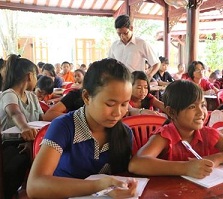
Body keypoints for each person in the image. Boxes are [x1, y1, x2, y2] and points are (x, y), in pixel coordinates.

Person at [27, 58, 137, 198]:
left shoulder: (124, 133)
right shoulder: (64, 127)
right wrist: (98, 186)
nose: (118, 113)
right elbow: (34, 186)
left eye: (124, 104)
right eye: (110, 104)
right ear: (86, 97)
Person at [128, 80, 223, 178]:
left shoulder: (207, 134)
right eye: (192, 107)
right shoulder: (165, 135)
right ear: (172, 112)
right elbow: (136, 164)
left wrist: (217, 158)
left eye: (202, 105)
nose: (201, 112)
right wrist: (185, 168)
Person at [0, 54, 43, 199]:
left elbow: (43, 118)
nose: (37, 78)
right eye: (36, 75)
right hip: (10, 144)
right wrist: (24, 127)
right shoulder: (8, 94)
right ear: (30, 76)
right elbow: (14, 112)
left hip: (32, 141)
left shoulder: (31, 96)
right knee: (18, 163)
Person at [108, 14, 160, 78]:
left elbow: (156, 63)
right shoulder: (114, 46)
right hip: (119, 82)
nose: (122, 37)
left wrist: (149, 75)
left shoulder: (141, 44)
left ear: (131, 28)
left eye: (125, 33)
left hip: (135, 82)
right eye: (119, 34)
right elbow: (109, 65)